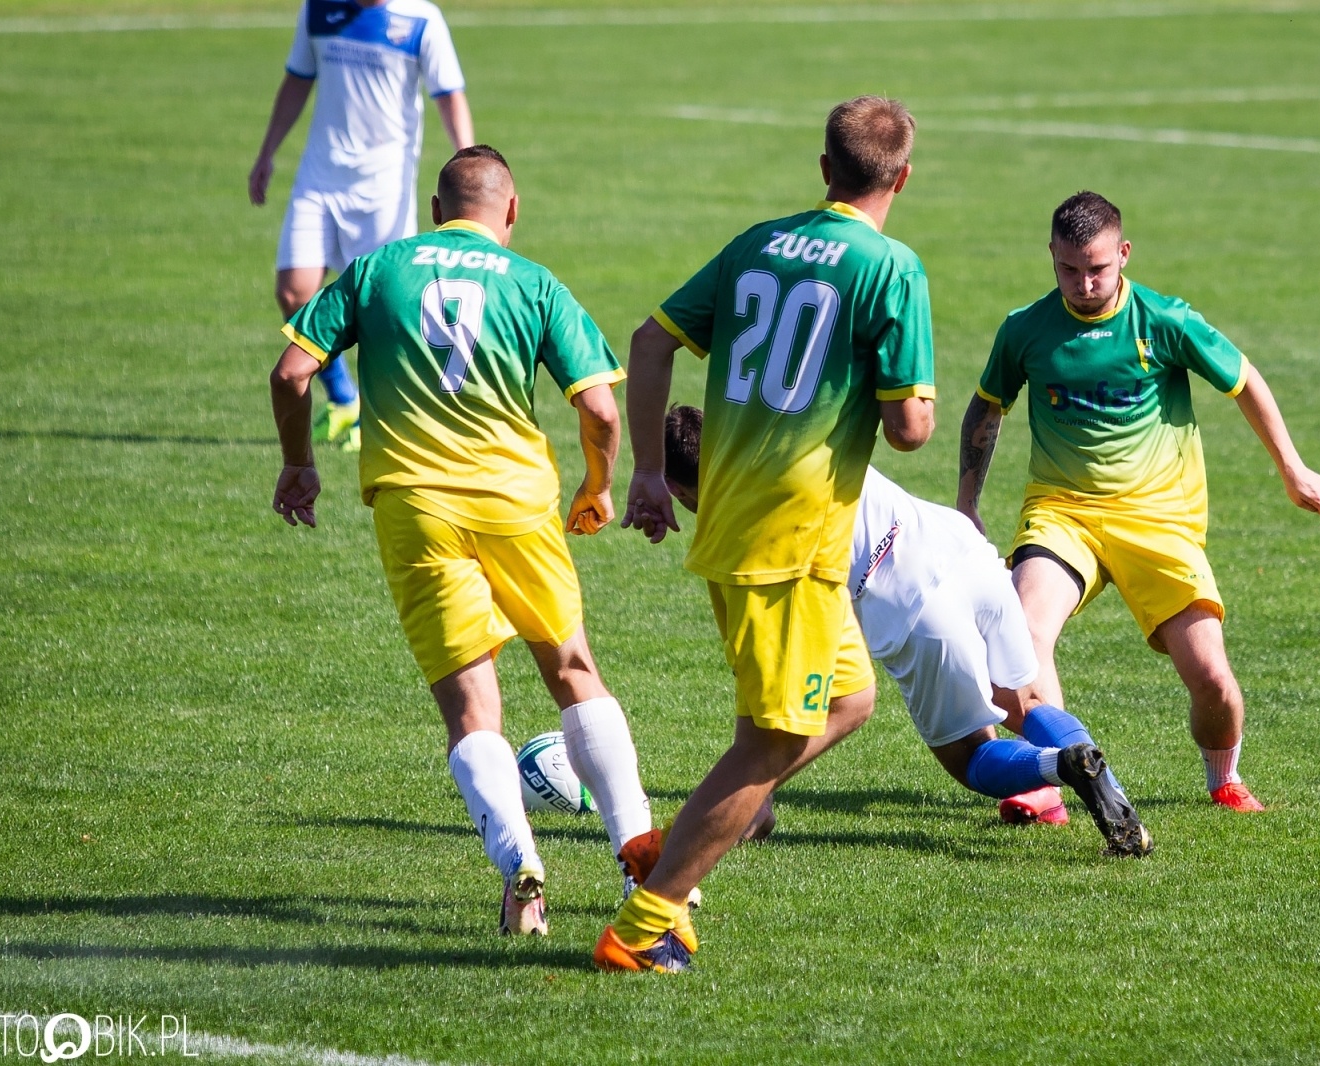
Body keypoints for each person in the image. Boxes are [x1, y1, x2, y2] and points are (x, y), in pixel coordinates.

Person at [269, 146, 652, 936]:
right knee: (575, 671)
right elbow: (604, 412)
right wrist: (598, 485)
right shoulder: (534, 282)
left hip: (416, 506)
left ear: (435, 208)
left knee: (473, 711)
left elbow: (291, 373)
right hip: (518, 504)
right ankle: (639, 860)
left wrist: (301, 465)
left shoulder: (379, 270)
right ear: (510, 212)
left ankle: (521, 865)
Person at [599, 96, 937, 974]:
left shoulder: (757, 243)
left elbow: (649, 338)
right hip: (786, 538)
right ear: (902, 177)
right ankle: (644, 925)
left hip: (753, 521)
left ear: (824, 168)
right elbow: (910, 430)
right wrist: (912, 399)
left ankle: (671, 850)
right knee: (775, 741)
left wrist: (645, 469)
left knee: (850, 700)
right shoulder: (892, 266)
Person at [956, 191, 1320, 814]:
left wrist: (1292, 468)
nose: (1083, 283)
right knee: (1020, 640)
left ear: (1124, 254)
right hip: (1062, 514)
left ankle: (1223, 779)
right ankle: (1049, 780)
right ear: (1051, 256)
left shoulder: (1164, 321)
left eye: (1098, 268)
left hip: (1158, 519)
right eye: (1069, 269)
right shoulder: (1025, 329)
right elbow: (986, 405)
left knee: (1212, 678)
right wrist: (968, 503)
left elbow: (1243, 380)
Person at [659, 405, 1153, 859]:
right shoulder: (796, 435)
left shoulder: (748, 531)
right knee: (1027, 701)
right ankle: (1120, 805)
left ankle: (1064, 767)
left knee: (971, 757)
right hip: (962, 550)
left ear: (685, 490)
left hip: (914, 607)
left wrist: (756, 788)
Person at [251, 0, 475, 452]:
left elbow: (449, 95)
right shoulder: (318, 9)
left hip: (384, 188)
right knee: (294, 292)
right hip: (319, 177)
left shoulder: (420, 19)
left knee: (383, 307)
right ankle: (343, 398)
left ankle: (395, 414)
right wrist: (267, 152)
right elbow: (298, 80)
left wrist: (468, 165)